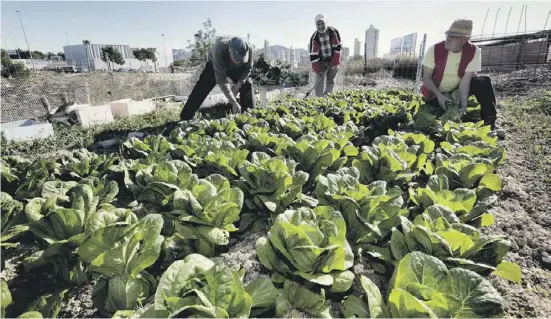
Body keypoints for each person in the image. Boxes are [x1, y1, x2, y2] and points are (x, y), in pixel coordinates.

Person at [421, 19, 498, 129]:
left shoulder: (473, 51)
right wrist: (439, 96)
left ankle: (489, 123)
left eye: (453, 36)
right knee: (438, 116)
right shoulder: (434, 50)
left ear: (464, 40)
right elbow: (426, 79)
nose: (448, 39)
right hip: (436, 94)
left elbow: (465, 81)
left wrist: (464, 105)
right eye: (448, 35)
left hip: (456, 91)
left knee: (483, 81)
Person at [180, 36, 255, 121]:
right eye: (235, 59)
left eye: (240, 60)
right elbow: (222, 81)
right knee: (202, 87)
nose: (237, 62)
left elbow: (248, 68)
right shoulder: (219, 49)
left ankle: (248, 115)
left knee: (247, 83)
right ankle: (186, 117)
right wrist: (233, 101)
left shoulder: (249, 48)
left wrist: (238, 85)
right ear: (229, 51)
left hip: (236, 68)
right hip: (215, 64)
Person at [309, 14, 342, 97]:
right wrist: (318, 69)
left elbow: (338, 49)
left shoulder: (333, 32)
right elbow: (313, 57)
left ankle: (327, 99)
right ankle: (319, 100)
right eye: (318, 25)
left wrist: (334, 63)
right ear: (316, 26)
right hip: (321, 62)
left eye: (322, 24)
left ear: (326, 23)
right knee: (319, 82)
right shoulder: (314, 38)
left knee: (330, 81)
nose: (321, 26)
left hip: (333, 59)